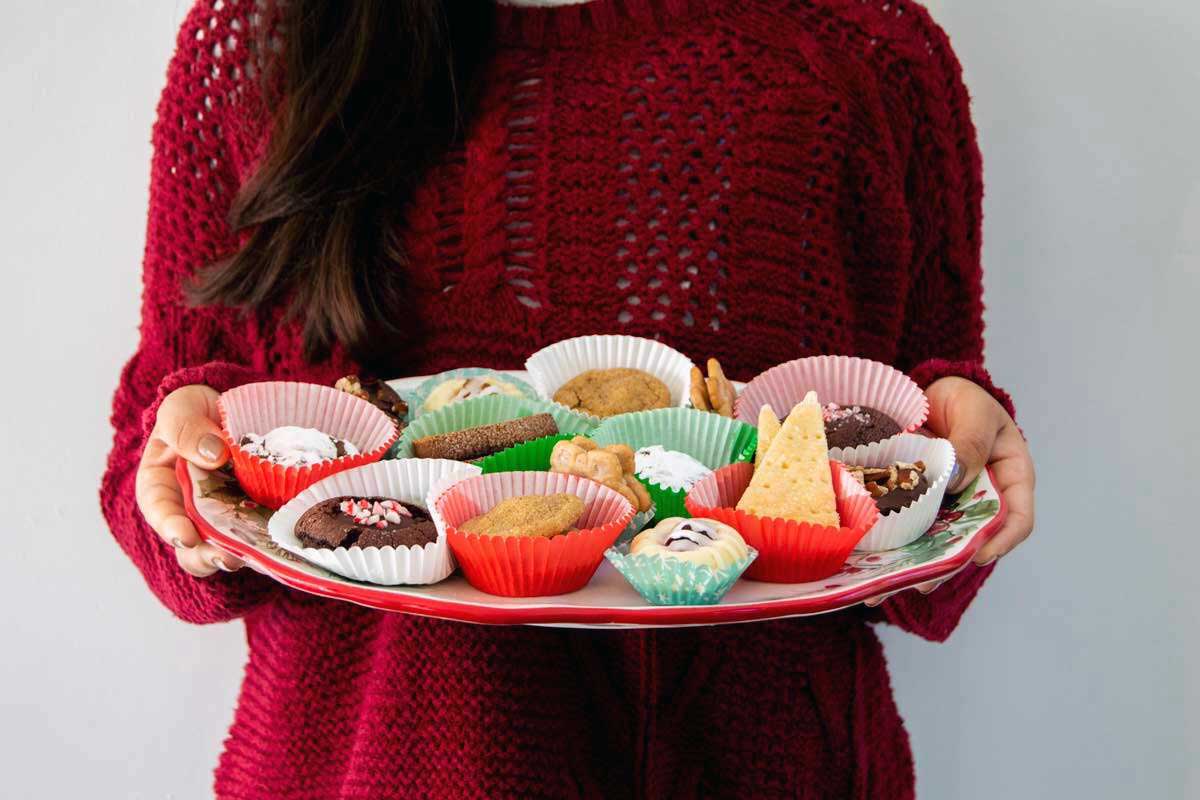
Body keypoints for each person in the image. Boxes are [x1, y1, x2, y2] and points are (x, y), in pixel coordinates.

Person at [101, 1, 1036, 797]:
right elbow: (158, 485)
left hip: (760, 762)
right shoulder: (266, 36)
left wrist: (967, 453)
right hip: (375, 763)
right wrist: (183, 481)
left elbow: (923, 526)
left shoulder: (860, 47)